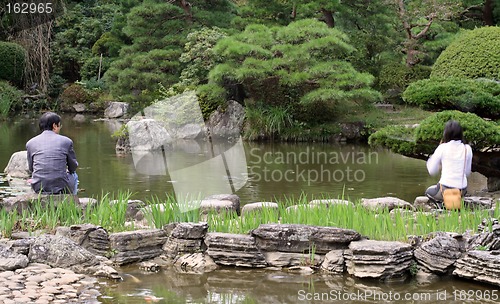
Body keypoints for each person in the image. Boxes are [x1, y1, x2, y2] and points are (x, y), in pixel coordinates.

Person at [26, 112, 79, 195]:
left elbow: (31, 168)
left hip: (39, 187)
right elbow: (73, 167)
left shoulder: (30, 143)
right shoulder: (66, 141)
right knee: (74, 175)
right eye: (59, 125)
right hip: (61, 188)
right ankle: (72, 201)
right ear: (54, 126)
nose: (60, 128)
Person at [425, 120, 472, 208]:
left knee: (428, 191)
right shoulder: (467, 148)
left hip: (445, 188)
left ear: (446, 133)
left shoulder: (442, 147)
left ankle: (442, 205)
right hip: (461, 190)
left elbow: (431, 170)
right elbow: (467, 172)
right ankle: (456, 201)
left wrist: (439, 164)